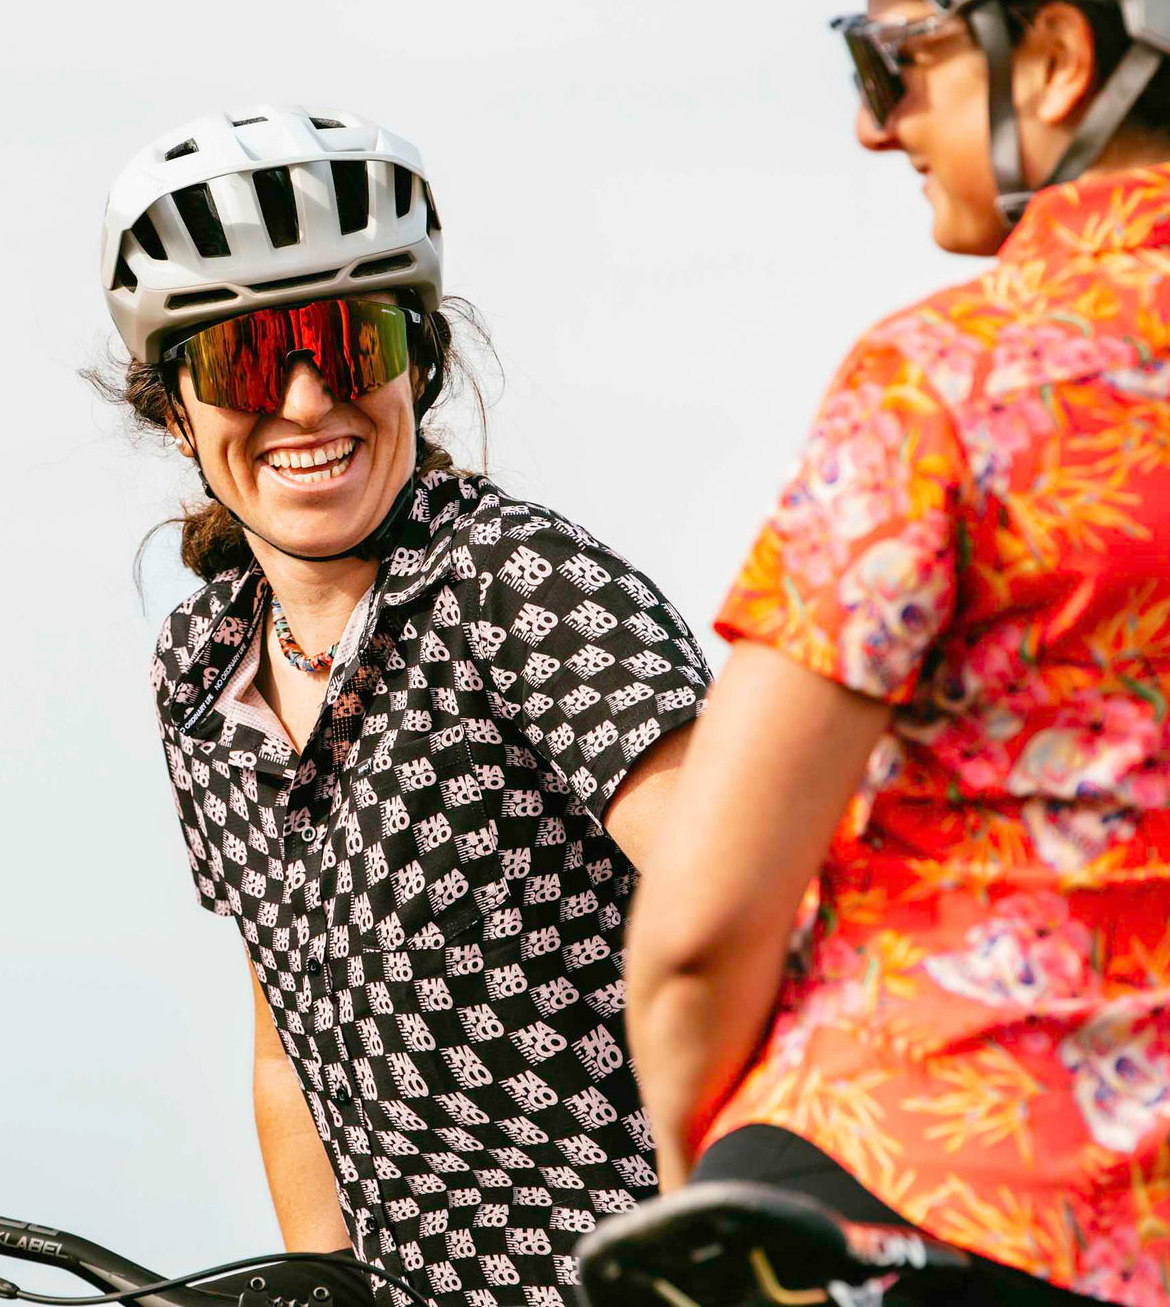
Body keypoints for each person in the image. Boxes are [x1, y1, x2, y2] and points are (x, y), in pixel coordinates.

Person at [581, 0, 1170, 1305]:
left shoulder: (953, 380)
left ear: (1053, 55)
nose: (870, 120)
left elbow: (703, 928)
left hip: (904, 1189)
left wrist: (701, 1190)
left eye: (896, 54)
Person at [95, 106, 711, 1307]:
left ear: (417, 363)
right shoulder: (199, 663)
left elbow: (745, 922)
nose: (311, 400)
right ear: (175, 410)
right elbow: (286, 1049)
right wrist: (319, 1281)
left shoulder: (515, 584)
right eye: (245, 361)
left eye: (350, 340)